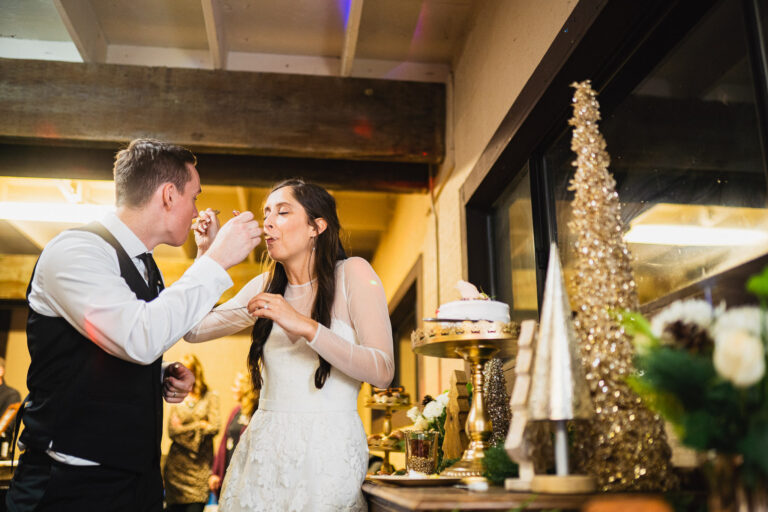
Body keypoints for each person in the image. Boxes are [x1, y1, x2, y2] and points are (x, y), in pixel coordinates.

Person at [6, 138, 263, 512]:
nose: (196, 211)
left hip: (139, 480)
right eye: (194, 197)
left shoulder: (146, 265)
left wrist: (157, 374)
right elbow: (139, 337)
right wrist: (216, 261)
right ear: (169, 195)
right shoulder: (77, 251)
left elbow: (117, 344)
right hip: (71, 485)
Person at [185, 178, 394, 511]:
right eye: (266, 213)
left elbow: (382, 371)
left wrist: (307, 326)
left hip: (327, 453)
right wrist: (209, 258)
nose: (268, 222)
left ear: (316, 227)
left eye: (282, 212)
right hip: (263, 453)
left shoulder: (353, 274)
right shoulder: (266, 286)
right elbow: (193, 330)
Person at [164, 354, 220, 512]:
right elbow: (172, 431)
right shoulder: (176, 396)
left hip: (199, 470)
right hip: (176, 471)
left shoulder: (210, 396)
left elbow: (214, 427)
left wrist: (185, 427)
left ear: (196, 372)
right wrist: (199, 425)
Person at [209, 371, 259, 499]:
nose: (232, 389)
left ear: (245, 388)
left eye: (236, 386)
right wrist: (216, 472)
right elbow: (224, 442)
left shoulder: (256, 412)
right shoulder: (235, 411)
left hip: (246, 472)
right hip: (230, 467)